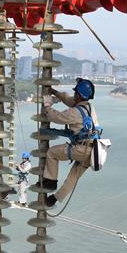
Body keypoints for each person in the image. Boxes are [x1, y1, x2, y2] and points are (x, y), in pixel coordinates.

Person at [39, 78, 101, 207]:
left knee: (52, 153)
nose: (74, 95)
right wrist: (55, 92)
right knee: (73, 177)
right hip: (94, 151)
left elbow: (56, 117)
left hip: (82, 149)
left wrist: (47, 105)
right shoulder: (89, 107)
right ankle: (54, 199)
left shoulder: (75, 112)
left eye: (75, 93)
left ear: (78, 95)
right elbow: (68, 100)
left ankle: (50, 181)